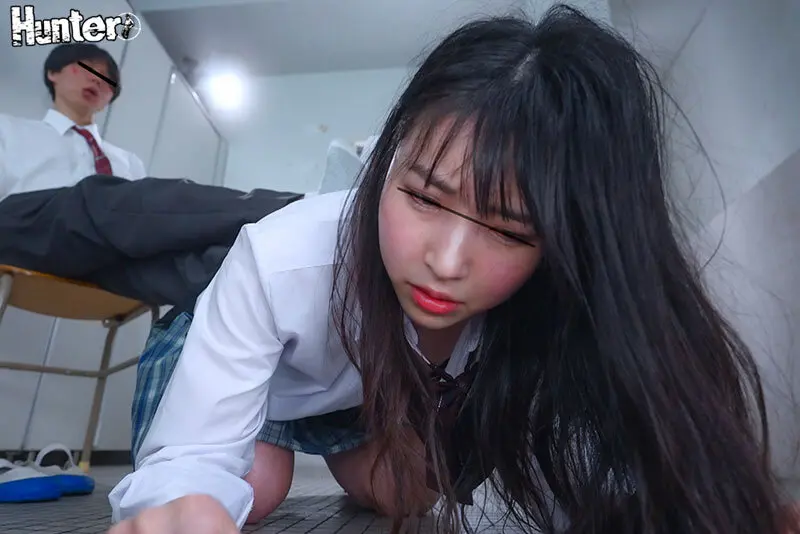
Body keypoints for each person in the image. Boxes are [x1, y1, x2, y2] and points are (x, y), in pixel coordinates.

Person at [106, 5, 799, 534]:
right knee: (253, 487)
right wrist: (182, 502)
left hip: (344, 399)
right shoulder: (281, 255)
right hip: (238, 375)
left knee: (411, 495)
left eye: (509, 230)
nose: (445, 262)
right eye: (424, 197)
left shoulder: (551, 296)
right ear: (388, 160)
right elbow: (190, 456)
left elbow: (602, 460)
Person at [0, 43, 146, 200]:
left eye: (107, 79)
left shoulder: (131, 164)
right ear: (53, 72)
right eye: (87, 68)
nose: (97, 79)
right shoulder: (7, 131)